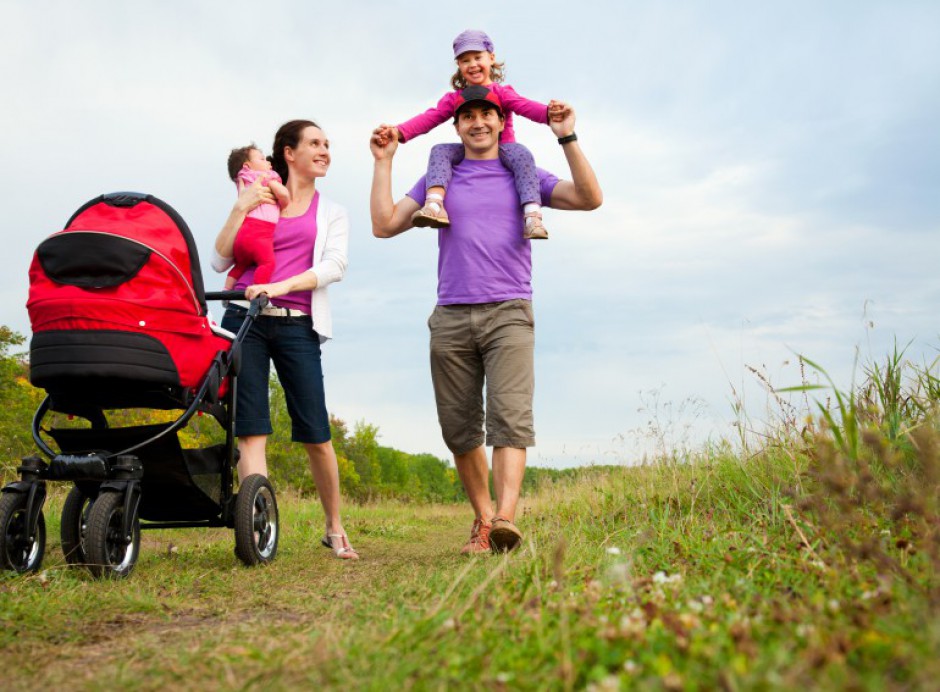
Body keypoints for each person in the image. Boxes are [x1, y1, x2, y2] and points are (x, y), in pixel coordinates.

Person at [370, 86, 602, 554]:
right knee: (459, 429)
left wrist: (567, 137)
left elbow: (589, 198)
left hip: (509, 312)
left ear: (501, 122)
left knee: (509, 420)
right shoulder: (443, 175)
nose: (477, 122)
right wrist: (384, 161)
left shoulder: (523, 174)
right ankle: (482, 520)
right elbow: (384, 224)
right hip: (451, 314)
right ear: (456, 126)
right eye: (467, 116)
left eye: (486, 115)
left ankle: (504, 519)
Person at [213, 119, 359, 560]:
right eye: (315, 143)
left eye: (327, 144)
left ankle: (334, 527)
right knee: (250, 431)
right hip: (245, 319)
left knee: (315, 431)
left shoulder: (331, 212)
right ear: (288, 153)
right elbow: (220, 261)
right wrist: (239, 208)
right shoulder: (257, 201)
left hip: (296, 323)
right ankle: (256, 531)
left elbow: (334, 267)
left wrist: (277, 287)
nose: (325, 150)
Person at [374, 29, 566, 240]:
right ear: (459, 65)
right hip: (470, 151)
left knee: (522, 155)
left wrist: (549, 113)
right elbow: (431, 117)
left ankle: (532, 216)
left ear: (491, 58)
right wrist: (399, 131)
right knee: (439, 151)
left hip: (504, 150)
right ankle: (435, 204)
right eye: (465, 60)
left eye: (477, 57)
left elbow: (524, 106)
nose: (472, 64)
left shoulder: (502, 93)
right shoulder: (455, 98)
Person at [223, 144, 291, 289]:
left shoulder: (243, 180)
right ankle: (259, 291)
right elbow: (284, 195)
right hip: (261, 233)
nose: (268, 162)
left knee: (240, 265)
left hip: (242, 235)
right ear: (247, 165)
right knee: (267, 263)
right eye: (262, 159)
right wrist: (284, 203)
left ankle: (226, 291)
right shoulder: (265, 177)